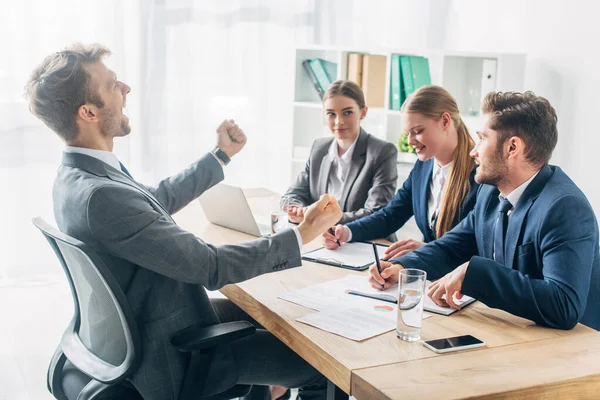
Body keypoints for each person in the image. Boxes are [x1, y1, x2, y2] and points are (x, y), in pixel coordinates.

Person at [25, 43, 343, 400]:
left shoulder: (77, 176)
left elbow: (152, 200)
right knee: (324, 369)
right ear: (88, 112)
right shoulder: (102, 196)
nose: (126, 89)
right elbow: (211, 266)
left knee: (277, 315)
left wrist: (220, 156)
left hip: (152, 325)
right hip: (171, 355)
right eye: (113, 85)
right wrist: (303, 233)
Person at [369, 91, 600, 331]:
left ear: (512, 147)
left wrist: (476, 273)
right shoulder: (489, 193)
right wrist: (403, 266)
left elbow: (563, 305)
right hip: (513, 332)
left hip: (570, 353)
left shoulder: (564, 208)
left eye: (481, 139)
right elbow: (452, 246)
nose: (473, 151)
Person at [323, 85, 479, 260]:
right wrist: (346, 232)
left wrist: (427, 250)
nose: (411, 141)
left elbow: (479, 247)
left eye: (418, 131)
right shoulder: (424, 167)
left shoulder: (480, 176)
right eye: (407, 133)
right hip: (427, 274)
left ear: (445, 121)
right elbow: (390, 216)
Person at [284, 79, 398, 225]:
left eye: (347, 113)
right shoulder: (319, 148)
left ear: (363, 112)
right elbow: (292, 194)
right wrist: (297, 209)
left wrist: (319, 219)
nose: (339, 121)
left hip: (365, 240)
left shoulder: (382, 152)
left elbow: (375, 212)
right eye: (331, 114)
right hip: (323, 238)